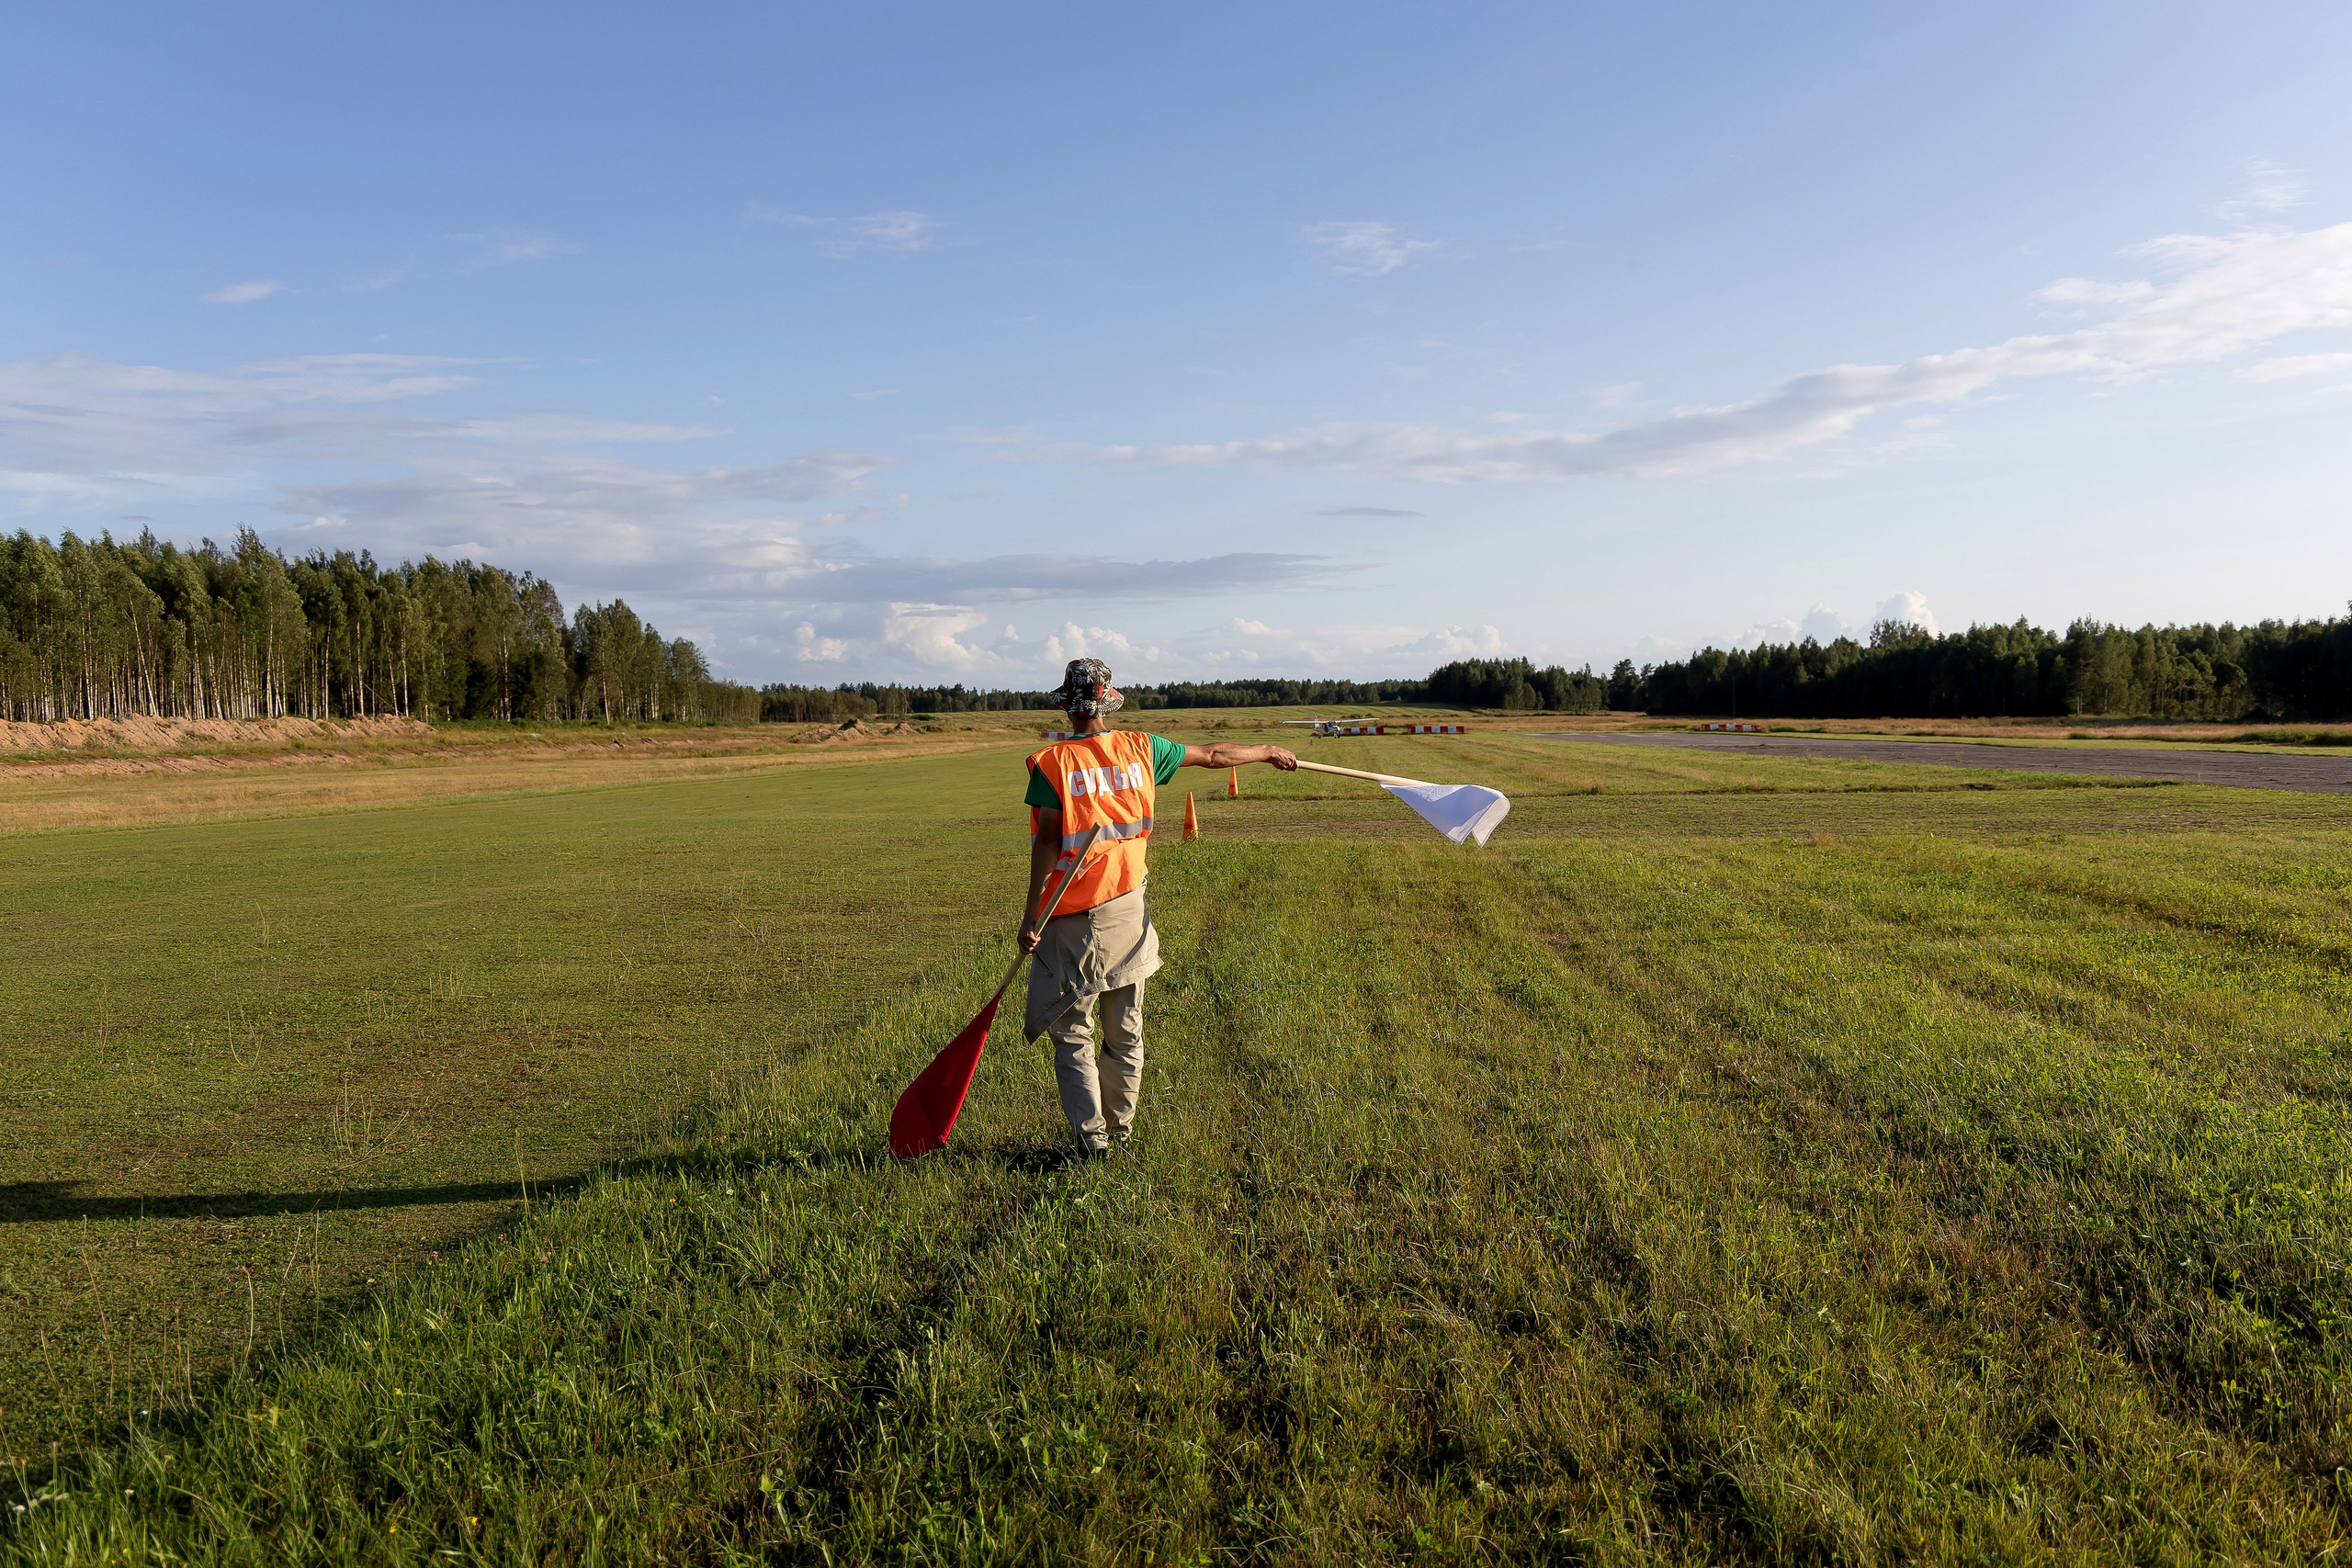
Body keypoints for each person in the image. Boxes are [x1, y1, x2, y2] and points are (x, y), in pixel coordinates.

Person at [1018, 658, 1296, 1158]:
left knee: (1074, 1034)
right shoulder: (1141, 749)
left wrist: (1030, 915)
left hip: (1068, 920)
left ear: (1069, 704)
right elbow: (1213, 754)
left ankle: (1091, 1142)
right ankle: (1121, 1135)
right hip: (1129, 911)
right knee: (1125, 1032)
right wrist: (1267, 750)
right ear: (1106, 701)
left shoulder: (1052, 764)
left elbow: (1048, 843)